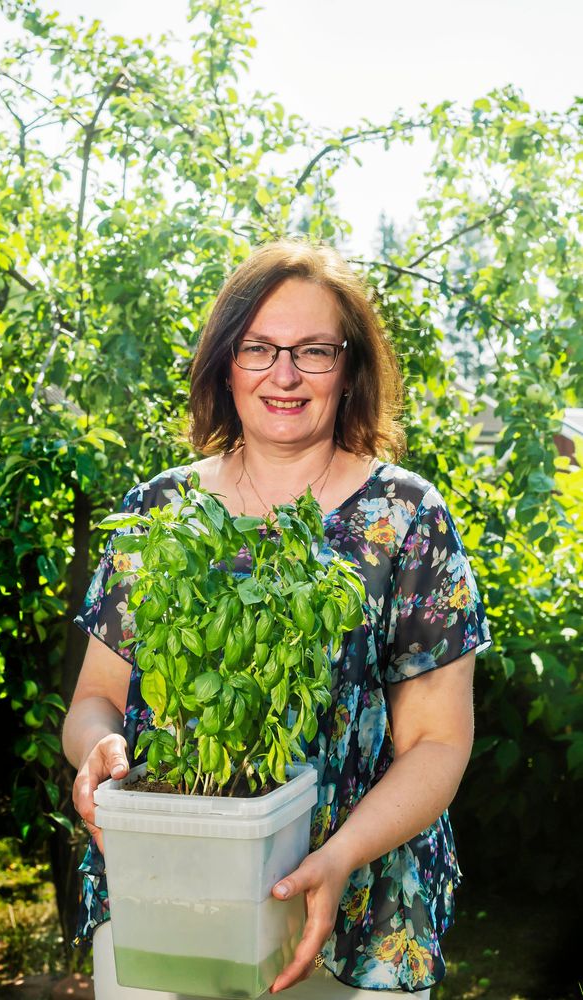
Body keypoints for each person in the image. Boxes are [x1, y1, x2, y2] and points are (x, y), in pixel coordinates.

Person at [62, 238, 491, 999]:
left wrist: (338, 855)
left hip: (358, 906)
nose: (283, 374)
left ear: (349, 370)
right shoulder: (160, 513)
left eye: (313, 351)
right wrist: (100, 752)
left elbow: (438, 743)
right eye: (258, 347)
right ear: (225, 364)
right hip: (169, 885)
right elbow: (96, 699)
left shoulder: (405, 517)